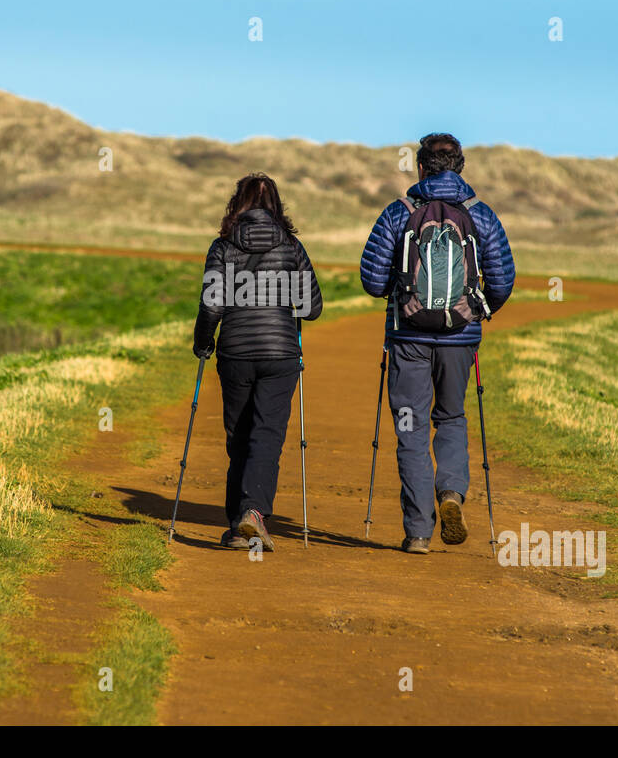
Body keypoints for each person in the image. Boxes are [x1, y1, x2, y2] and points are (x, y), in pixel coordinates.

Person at [359, 134, 515, 554]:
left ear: (421, 167)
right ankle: (451, 494)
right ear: (459, 167)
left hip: (407, 337)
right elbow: (501, 280)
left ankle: (418, 533)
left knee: (410, 428)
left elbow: (372, 281)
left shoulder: (398, 212)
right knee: (451, 417)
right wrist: (479, 310)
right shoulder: (480, 215)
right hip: (460, 339)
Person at [193, 173, 323, 551]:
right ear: (277, 206)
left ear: (237, 205)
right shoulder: (291, 246)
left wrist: (203, 343)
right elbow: (312, 308)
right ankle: (253, 514)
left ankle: (238, 525)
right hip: (281, 353)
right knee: (266, 435)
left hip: (235, 353)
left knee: (239, 438)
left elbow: (212, 304)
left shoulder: (221, 247)